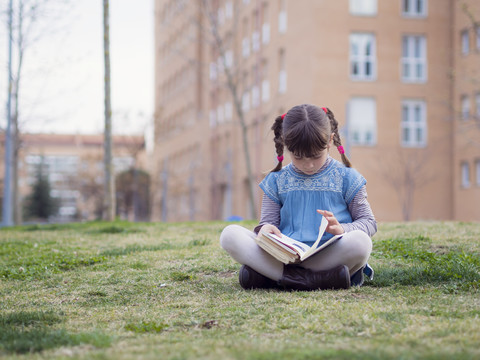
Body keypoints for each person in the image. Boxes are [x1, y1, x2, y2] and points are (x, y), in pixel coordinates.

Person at [220, 104, 376, 291]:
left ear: (330, 141)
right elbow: (268, 223)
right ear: (286, 146)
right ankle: (318, 280)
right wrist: (266, 228)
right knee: (229, 235)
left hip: (329, 256)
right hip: (286, 257)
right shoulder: (276, 180)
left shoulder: (348, 178)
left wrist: (342, 229)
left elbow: (369, 223)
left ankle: (274, 277)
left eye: (315, 156)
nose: (308, 165)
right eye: (299, 157)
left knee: (361, 242)